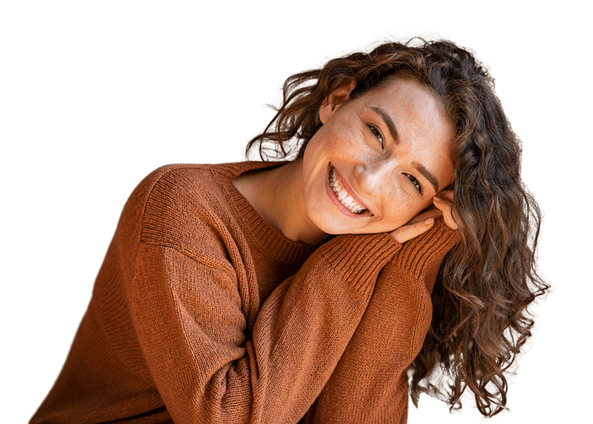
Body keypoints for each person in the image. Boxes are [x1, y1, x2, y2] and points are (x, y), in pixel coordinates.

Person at [30, 38, 547, 423]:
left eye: (412, 180)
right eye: (374, 132)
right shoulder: (183, 212)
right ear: (336, 100)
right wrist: (356, 259)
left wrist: (416, 256)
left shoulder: (376, 252)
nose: (368, 180)